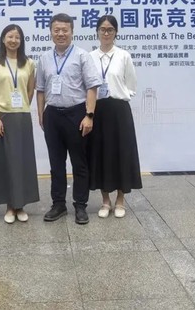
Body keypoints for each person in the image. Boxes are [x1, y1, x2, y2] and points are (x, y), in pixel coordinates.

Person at [36, 13, 102, 225]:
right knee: (56, 163)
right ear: (50, 32)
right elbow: (40, 89)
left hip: (77, 114)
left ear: (72, 32)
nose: (61, 34)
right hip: (53, 115)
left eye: (65, 30)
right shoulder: (44, 58)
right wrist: (41, 114)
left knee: (79, 162)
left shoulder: (83, 56)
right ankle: (58, 204)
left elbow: (92, 87)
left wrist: (89, 115)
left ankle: (80, 205)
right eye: (56, 30)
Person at [88, 15, 142, 218]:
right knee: (101, 154)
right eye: (102, 29)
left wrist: (121, 94)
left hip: (119, 111)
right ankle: (105, 201)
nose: (106, 33)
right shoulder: (90, 57)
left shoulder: (123, 56)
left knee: (122, 154)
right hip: (97, 110)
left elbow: (131, 84)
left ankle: (120, 200)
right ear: (97, 32)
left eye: (110, 29)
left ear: (116, 32)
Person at [0, 24, 40, 224]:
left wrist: (22, 105)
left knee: (22, 162)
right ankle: (10, 206)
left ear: (21, 40)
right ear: (3, 39)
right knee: (6, 162)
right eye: (10, 36)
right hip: (3, 117)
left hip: (22, 117)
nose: (13, 40)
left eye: (17, 37)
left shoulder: (29, 63)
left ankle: (21, 205)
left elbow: (30, 90)